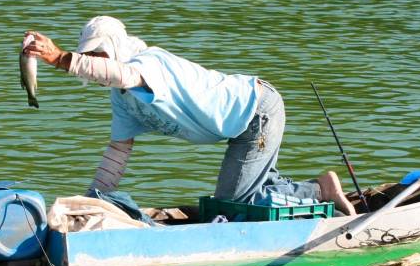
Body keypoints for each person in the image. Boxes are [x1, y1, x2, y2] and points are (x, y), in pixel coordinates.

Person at [22, 16, 356, 216]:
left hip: (256, 109)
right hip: (238, 127)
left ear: (115, 52)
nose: (95, 65)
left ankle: (318, 193)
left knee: (233, 202)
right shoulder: (122, 99)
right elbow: (117, 154)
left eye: (99, 56)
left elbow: (121, 74)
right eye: (90, 57)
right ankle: (305, 188)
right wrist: (90, 201)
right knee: (240, 194)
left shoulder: (146, 65)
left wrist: (57, 57)